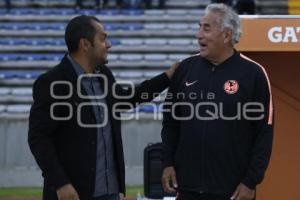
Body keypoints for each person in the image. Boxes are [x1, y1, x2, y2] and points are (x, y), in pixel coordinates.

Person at [28, 15, 178, 200]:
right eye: (103, 38)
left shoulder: (104, 75)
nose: (108, 45)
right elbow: (39, 139)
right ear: (85, 44)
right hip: (73, 193)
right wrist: (60, 183)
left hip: (110, 192)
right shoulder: (51, 82)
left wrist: (167, 76)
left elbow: (129, 98)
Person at [161, 3, 273, 200]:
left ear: (227, 35)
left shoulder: (254, 74)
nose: (199, 35)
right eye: (199, 27)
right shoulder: (185, 69)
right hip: (187, 188)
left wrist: (250, 181)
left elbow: (264, 133)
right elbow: (170, 122)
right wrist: (167, 162)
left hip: (233, 191)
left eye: (206, 28)